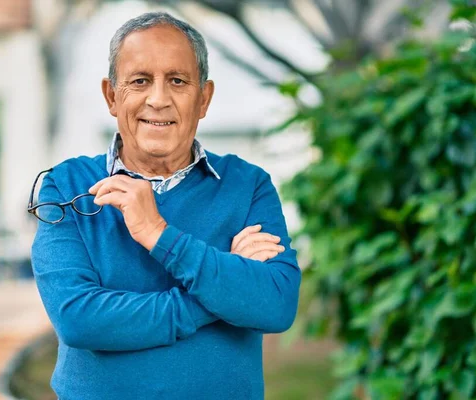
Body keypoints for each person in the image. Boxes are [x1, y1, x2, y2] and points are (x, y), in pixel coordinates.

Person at [29, 11, 301, 400]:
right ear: (111, 95)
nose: (158, 99)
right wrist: (220, 288)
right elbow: (78, 319)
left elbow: (275, 305)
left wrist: (159, 235)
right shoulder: (66, 186)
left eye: (177, 81)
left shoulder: (247, 185)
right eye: (140, 81)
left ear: (203, 98)